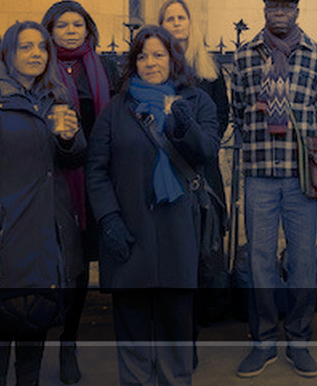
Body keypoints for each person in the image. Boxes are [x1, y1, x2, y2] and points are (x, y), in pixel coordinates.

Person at [0, 21, 85, 386]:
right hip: (2, 236)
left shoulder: (55, 96)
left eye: (42, 47)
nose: (36, 54)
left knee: (33, 324)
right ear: (8, 52)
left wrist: (69, 139)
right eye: (26, 47)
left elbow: (74, 160)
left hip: (43, 236)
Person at [86, 25, 219, 386]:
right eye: (142, 56)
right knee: (132, 329)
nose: (150, 62)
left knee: (176, 328)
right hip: (130, 233)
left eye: (159, 54)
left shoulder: (197, 101)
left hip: (179, 232)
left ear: (173, 58)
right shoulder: (116, 109)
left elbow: (206, 152)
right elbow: (96, 170)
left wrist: (183, 122)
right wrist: (109, 220)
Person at [230, 0, 317, 379]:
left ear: (297, 10)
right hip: (259, 176)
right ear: (264, 8)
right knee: (260, 262)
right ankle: (264, 342)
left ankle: (300, 341)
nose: (279, 10)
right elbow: (239, 111)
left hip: (299, 177)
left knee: (304, 263)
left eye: (286, 4)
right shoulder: (244, 57)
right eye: (273, 3)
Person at [42, 0, 119, 384]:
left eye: (78, 24)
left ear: (88, 29)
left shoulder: (104, 67)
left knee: (79, 268)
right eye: (62, 25)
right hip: (52, 180)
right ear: (50, 30)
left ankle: (68, 343)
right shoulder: (38, 64)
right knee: (50, 263)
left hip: (93, 178)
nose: (71, 31)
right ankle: (37, 340)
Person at [158, 0, 231, 335]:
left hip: (202, 167)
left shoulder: (209, 69)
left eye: (181, 17)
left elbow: (221, 115)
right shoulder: (155, 65)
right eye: (169, 18)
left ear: (190, 23)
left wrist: (198, 139)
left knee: (204, 245)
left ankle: (199, 317)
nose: (176, 23)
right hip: (165, 165)